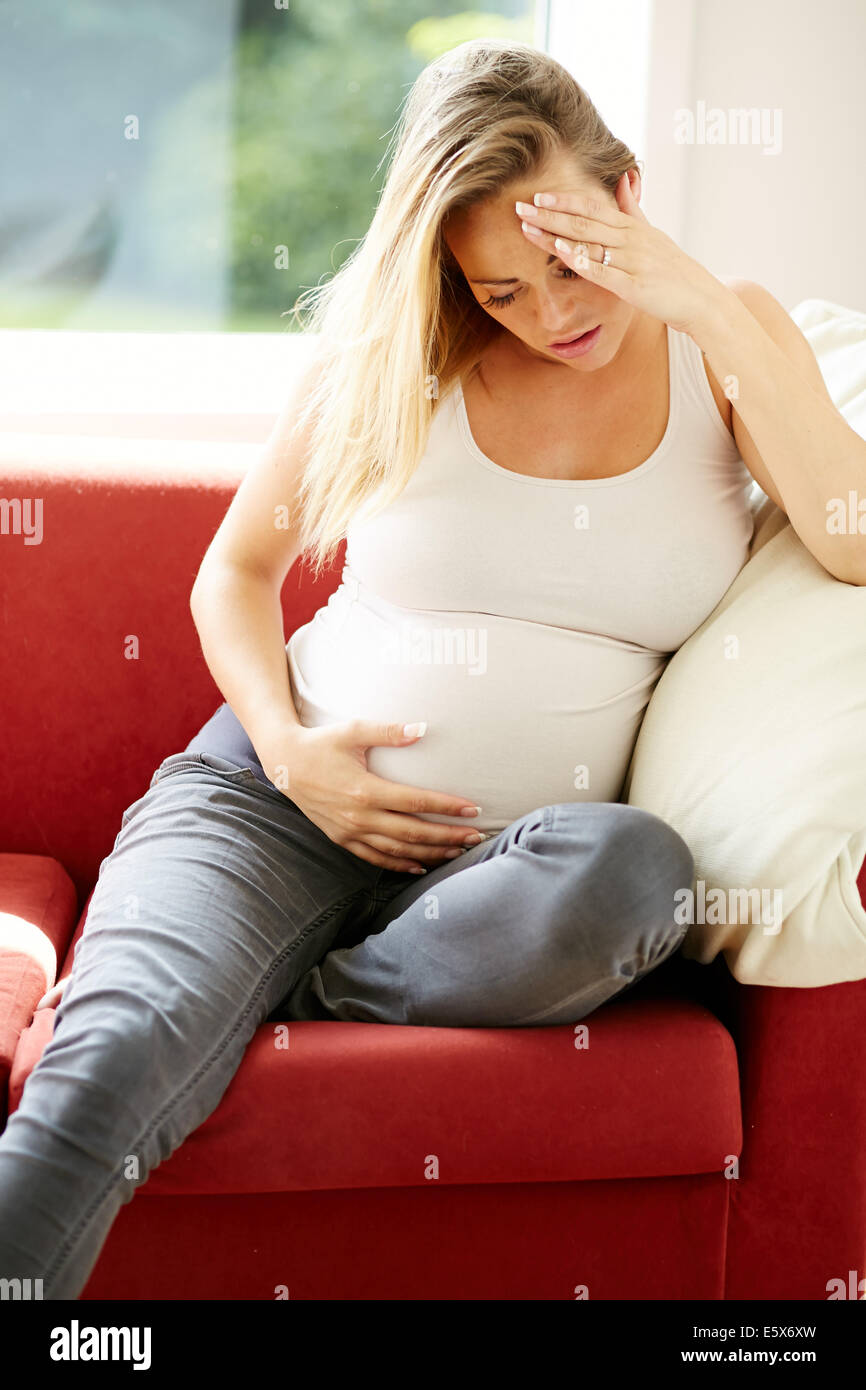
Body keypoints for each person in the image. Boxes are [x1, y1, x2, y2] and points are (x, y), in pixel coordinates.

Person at [2, 38, 852, 1302]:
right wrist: (294, 756)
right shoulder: (400, 353)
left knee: (635, 877)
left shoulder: (723, 347)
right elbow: (229, 577)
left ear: (627, 197)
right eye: (501, 290)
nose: (550, 314)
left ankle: (302, 974)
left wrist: (703, 303)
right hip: (273, 803)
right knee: (116, 1048)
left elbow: (847, 541)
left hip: (491, 881)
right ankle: (224, 964)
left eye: (569, 263)